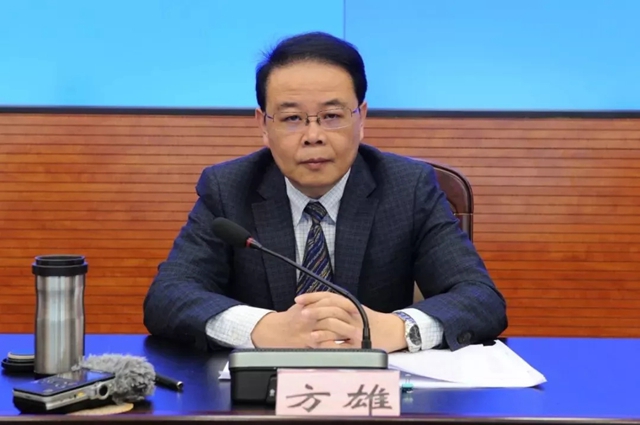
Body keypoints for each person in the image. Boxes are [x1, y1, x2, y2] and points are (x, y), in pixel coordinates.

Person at [142, 31, 507, 353]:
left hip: (376, 393)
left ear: (361, 118)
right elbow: (168, 297)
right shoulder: (228, 188)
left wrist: (397, 329)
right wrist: (263, 328)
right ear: (263, 125)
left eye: (332, 116)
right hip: (260, 394)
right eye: (292, 118)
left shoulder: (408, 187)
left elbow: (480, 298)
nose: (313, 136)